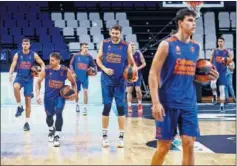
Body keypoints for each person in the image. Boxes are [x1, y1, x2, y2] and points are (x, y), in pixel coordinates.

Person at [148, 8, 219, 165]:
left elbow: (192, 76)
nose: (193, 24)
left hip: (188, 103)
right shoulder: (166, 45)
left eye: (194, 21)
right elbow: (153, 73)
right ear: (180, 23)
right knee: (164, 147)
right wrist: (155, 102)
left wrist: (209, 77)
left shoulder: (195, 47)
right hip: (167, 103)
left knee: (189, 144)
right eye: (189, 20)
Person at [96, 25, 137, 148]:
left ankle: (121, 137)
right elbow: (98, 59)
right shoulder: (104, 43)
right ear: (110, 32)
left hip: (120, 81)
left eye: (117, 33)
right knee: (107, 106)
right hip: (106, 80)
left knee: (120, 107)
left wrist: (133, 74)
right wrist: (104, 68)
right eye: (113, 33)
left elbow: (132, 63)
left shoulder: (126, 45)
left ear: (120, 34)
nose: (114, 35)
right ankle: (104, 137)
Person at [35, 52, 77, 147]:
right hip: (48, 97)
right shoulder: (46, 69)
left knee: (59, 112)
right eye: (50, 59)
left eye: (52, 60)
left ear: (58, 61)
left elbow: (73, 83)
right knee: (49, 116)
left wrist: (74, 93)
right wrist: (37, 95)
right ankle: (51, 129)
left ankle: (57, 136)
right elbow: (38, 82)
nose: (50, 61)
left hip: (60, 96)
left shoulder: (65, 70)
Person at [8, 38, 45, 131]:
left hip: (29, 79)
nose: (25, 45)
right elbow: (13, 65)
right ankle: (19, 106)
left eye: (27, 44)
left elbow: (42, 63)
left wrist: (41, 71)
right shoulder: (18, 54)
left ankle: (27, 122)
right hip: (19, 77)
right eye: (24, 43)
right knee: (15, 87)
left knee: (28, 101)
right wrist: (10, 74)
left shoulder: (34, 55)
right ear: (22, 45)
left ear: (29, 45)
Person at [70, 43, 97, 115]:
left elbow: (94, 65)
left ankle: (85, 108)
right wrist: (73, 72)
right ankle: (77, 105)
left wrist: (95, 71)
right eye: (85, 47)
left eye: (87, 47)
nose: (86, 49)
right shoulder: (76, 56)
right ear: (81, 48)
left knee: (85, 92)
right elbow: (71, 64)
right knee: (76, 93)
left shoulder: (89, 57)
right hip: (76, 77)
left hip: (85, 77)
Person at [210, 37, 233, 112]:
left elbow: (231, 58)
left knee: (222, 89)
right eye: (219, 41)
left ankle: (222, 106)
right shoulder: (214, 51)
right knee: (212, 84)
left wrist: (228, 61)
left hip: (223, 72)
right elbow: (210, 61)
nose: (220, 43)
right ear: (217, 43)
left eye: (221, 41)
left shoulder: (227, 52)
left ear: (224, 42)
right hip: (215, 70)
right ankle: (214, 95)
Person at [126, 42, 146, 113]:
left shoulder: (138, 53)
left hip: (137, 74)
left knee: (138, 89)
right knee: (129, 90)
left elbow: (144, 63)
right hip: (129, 74)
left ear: (135, 46)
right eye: (131, 45)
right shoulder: (126, 54)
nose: (132, 46)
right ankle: (129, 106)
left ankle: (140, 104)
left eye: (133, 45)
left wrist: (137, 68)